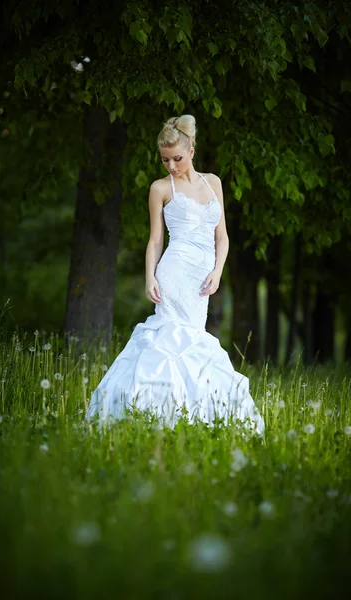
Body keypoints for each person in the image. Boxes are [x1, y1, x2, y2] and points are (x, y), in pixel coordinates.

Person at [86, 114, 265, 436]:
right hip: (174, 271)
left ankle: (189, 414)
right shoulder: (160, 188)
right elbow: (155, 240)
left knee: (193, 341)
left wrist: (218, 271)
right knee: (167, 338)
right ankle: (150, 412)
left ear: (192, 149)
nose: (171, 165)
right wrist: (150, 277)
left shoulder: (214, 183)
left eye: (177, 158)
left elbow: (221, 236)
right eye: (165, 160)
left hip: (202, 277)